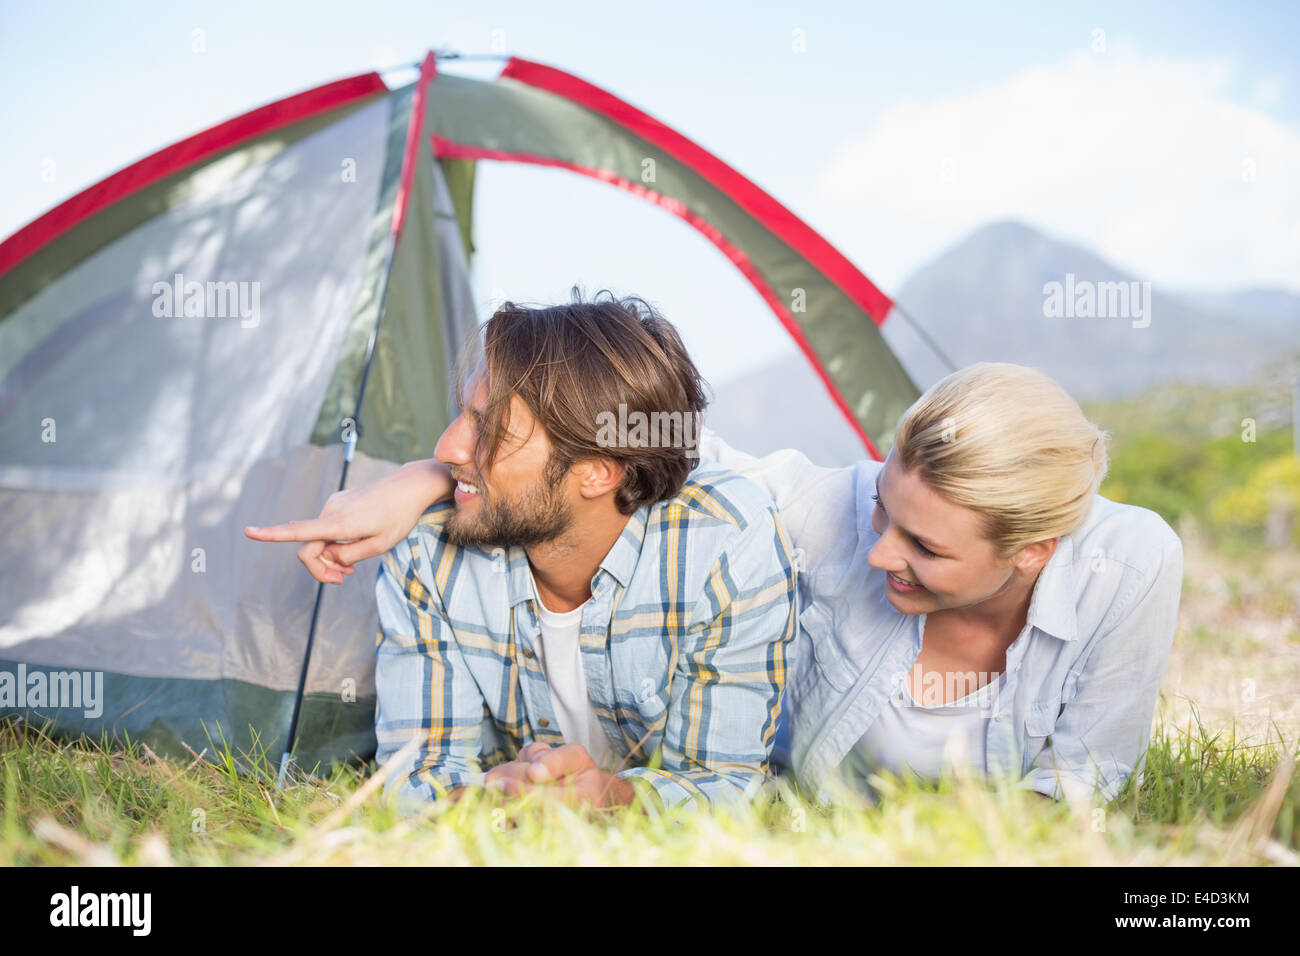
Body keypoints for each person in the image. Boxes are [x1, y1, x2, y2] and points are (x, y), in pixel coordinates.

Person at [251, 361, 1183, 807]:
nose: (876, 554)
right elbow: (635, 455)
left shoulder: (1128, 568)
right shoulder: (831, 510)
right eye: (883, 513)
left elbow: (1081, 784)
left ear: (1035, 552)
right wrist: (422, 480)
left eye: (925, 550)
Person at [250, 293, 797, 811]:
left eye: (489, 429)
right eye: (462, 414)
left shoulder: (726, 543)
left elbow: (724, 781)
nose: (446, 449)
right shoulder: (425, 549)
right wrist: (488, 799)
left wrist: (610, 799)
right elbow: (418, 771)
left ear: (598, 471)